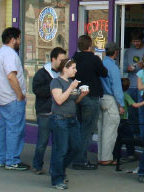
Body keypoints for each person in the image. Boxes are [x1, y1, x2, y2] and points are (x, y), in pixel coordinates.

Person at [0, 27, 30, 171]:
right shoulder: (10, 54)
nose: (20, 41)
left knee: (4, 129)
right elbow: (11, 76)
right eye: (19, 39)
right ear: (13, 39)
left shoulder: (0, 53)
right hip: (11, 98)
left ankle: (3, 158)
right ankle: (12, 160)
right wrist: (19, 94)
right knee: (15, 130)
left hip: (2, 98)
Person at [50, 58, 90, 190]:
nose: (75, 70)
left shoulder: (72, 82)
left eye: (75, 68)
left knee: (76, 147)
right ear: (65, 69)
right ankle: (57, 179)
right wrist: (72, 88)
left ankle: (59, 169)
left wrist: (82, 95)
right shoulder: (56, 82)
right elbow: (59, 100)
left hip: (72, 118)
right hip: (60, 118)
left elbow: (74, 101)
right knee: (61, 149)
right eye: (73, 68)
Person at [72, 34, 107, 170]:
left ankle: (77, 157)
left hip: (78, 95)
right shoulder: (93, 59)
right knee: (87, 130)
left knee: (81, 128)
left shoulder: (74, 58)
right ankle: (80, 160)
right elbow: (104, 73)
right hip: (91, 96)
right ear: (90, 45)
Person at [31, 46, 67, 174]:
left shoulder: (64, 74)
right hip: (45, 112)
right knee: (42, 142)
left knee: (58, 144)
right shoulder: (42, 73)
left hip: (59, 113)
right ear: (53, 59)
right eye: (61, 60)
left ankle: (55, 169)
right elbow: (37, 90)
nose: (63, 63)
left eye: (65, 60)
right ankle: (37, 165)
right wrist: (54, 89)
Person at [97, 42, 125, 166]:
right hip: (111, 99)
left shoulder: (102, 64)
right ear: (116, 52)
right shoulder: (113, 67)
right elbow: (117, 87)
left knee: (102, 129)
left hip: (101, 97)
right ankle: (106, 157)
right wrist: (121, 104)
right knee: (110, 129)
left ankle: (101, 156)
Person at [112, 78, 144, 163]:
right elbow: (135, 105)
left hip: (116, 119)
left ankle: (115, 156)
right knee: (129, 137)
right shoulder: (125, 95)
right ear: (127, 87)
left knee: (117, 138)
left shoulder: (114, 95)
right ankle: (131, 154)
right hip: (124, 120)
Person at [124, 33, 144, 136]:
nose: (135, 44)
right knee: (131, 113)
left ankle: (142, 137)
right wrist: (127, 69)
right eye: (133, 42)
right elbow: (124, 66)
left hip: (142, 86)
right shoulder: (128, 51)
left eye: (137, 41)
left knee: (142, 113)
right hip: (130, 85)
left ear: (142, 40)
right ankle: (134, 135)